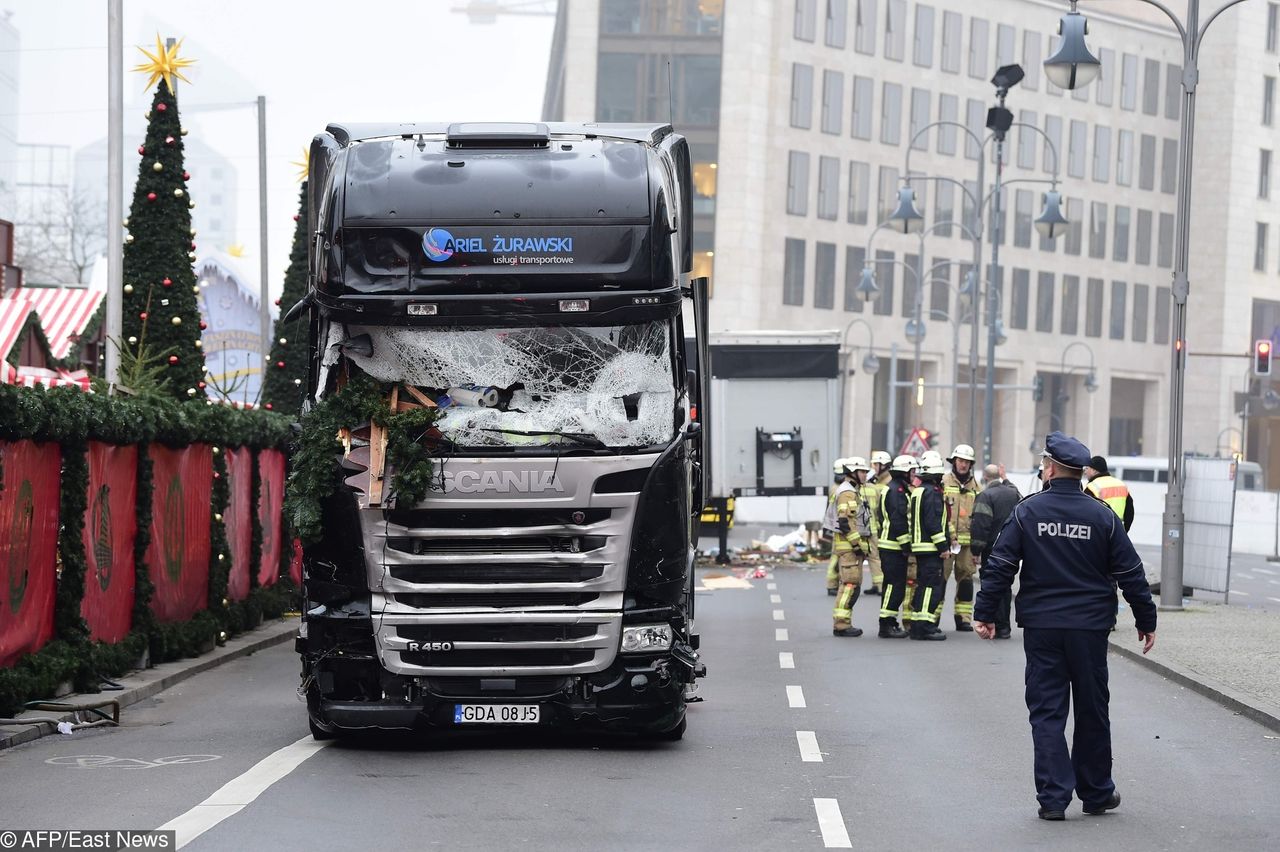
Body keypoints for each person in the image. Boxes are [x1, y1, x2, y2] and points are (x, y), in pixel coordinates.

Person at [974, 431, 1157, 822]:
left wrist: (985, 613)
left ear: (1052, 468)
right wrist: (1146, 619)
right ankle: (1095, 793)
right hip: (1089, 629)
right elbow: (1131, 572)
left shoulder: (1028, 512)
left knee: (1047, 711)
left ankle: (1053, 799)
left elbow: (1001, 565)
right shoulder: (1103, 516)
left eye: (1043, 464)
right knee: (1092, 710)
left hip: (1043, 628)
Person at [969, 463, 1021, 639]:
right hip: (1011, 548)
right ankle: (1005, 626)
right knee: (1005, 587)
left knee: (991, 586)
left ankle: (995, 624)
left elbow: (981, 525)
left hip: (992, 550)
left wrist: (976, 550)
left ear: (984, 477)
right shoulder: (1012, 493)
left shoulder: (985, 496)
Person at [907, 450, 949, 641]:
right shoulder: (932, 493)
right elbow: (933, 522)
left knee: (923, 586)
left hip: (919, 546)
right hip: (931, 548)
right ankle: (925, 627)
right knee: (932, 587)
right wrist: (943, 547)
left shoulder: (918, 491)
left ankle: (917, 626)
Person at [873, 454, 914, 639]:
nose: (914, 474)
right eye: (912, 471)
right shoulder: (897, 491)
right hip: (893, 547)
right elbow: (898, 519)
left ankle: (890, 622)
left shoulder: (895, 488)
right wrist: (906, 544)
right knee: (893, 587)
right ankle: (887, 625)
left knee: (894, 586)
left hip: (890, 545)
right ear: (904, 472)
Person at [942, 443, 981, 632]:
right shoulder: (943, 482)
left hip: (967, 544)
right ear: (954, 462)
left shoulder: (976, 487)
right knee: (940, 578)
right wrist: (949, 534)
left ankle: (963, 617)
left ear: (971, 464)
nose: (963, 464)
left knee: (966, 579)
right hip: (947, 542)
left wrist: (978, 546)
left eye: (966, 461)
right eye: (960, 460)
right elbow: (939, 511)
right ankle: (932, 616)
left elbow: (980, 516)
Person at [831, 458, 871, 637]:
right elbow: (845, 522)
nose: (865, 474)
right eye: (862, 471)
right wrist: (857, 544)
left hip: (850, 547)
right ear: (853, 472)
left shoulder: (853, 490)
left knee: (851, 584)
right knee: (849, 585)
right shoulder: (847, 493)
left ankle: (844, 623)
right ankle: (841, 625)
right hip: (849, 548)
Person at [1084, 456, 1134, 531]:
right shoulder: (1121, 485)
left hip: (1099, 533)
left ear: (1094, 470)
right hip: (1117, 532)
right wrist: (1123, 532)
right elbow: (1130, 513)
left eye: (1087, 468)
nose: (1085, 472)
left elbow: (1084, 513)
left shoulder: (1092, 487)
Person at [859, 456, 885, 595]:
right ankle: (878, 585)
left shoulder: (854, 490)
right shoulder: (875, 489)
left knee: (859, 558)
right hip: (874, 528)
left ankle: (875, 584)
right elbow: (880, 510)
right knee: (875, 558)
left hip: (859, 530)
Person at [824, 458, 849, 596]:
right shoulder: (839, 489)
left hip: (837, 527)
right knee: (836, 556)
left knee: (837, 556)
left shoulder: (835, 487)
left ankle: (833, 583)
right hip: (840, 527)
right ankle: (832, 584)